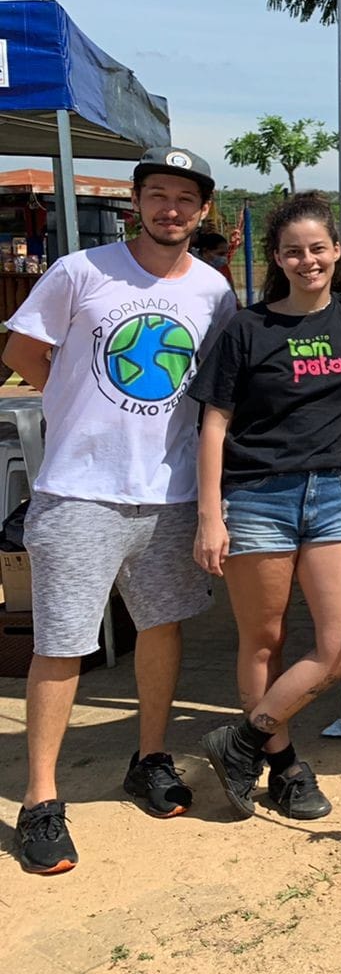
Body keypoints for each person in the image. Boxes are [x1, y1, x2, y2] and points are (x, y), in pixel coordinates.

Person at [4, 146, 236, 875]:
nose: (172, 209)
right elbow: (25, 353)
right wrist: (79, 402)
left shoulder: (213, 290)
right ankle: (41, 800)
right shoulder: (80, 271)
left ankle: (150, 757)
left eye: (185, 199)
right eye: (158, 194)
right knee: (63, 640)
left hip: (169, 493)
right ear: (137, 201)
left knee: (161, 629)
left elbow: (213, 389)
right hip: (80, 489)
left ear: (202, 211)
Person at [190, 195, 341, 821]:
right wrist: (210, 515)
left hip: (331, 495)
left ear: (337, 251)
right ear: (277, 257)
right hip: (254, 497)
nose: (308, 261)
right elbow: (214, 424)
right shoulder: (247, 327)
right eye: (294, 251)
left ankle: (240, 739)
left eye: (319, 248)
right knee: (264, 638)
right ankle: (285, 765)